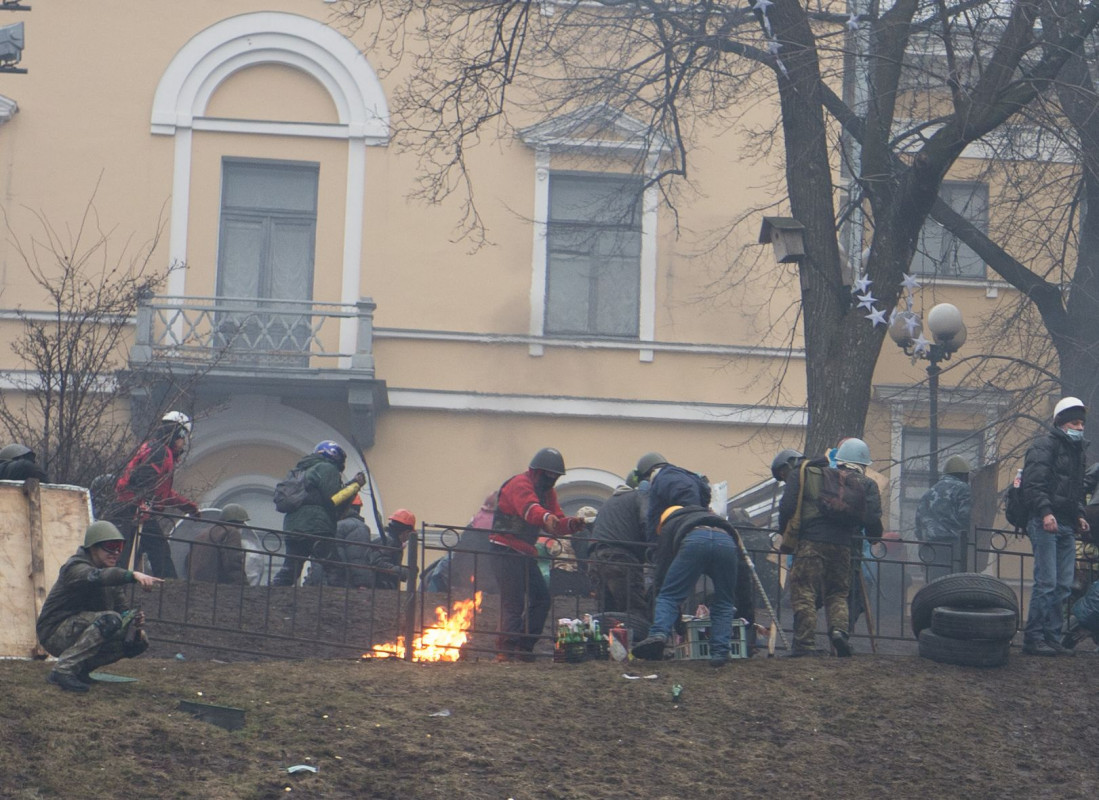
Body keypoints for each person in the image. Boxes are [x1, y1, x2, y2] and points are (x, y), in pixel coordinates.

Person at [778, 437, 883, 657]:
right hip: (844, 547)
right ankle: (839, 632)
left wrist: (786, 533)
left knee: (805, 590)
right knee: (837, 593)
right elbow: (872, 518)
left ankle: (804, 645)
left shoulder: (824, 476)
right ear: (864, 463)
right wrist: (874, 537)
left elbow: (790, 506)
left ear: (840, 458)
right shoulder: (867, 484)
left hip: (812, 542)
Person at [631, 465, 740, 667]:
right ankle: (720, 652)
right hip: (726, 539)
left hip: (695, 539)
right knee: (724, 601)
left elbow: (663, 571)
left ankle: (658, 635)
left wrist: (660, 590)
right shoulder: (705, 511)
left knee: (668, 595)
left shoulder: (671, 523)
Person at [37, 520, 162, 692]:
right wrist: (132, 575)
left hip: (81, 629)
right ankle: (63, 670)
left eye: (120, 547)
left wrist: (133, 621)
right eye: (110, 547)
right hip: (54, 632)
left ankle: (79, 670)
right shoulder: (75, 568)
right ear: (93, 547)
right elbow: (96, 577)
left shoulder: (110, 576)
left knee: (138, 640)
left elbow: (121, 610)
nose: (116, 553)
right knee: (109, 620)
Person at [490, 448, 587, 661]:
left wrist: (572, 524)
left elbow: (556, 522)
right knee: (513, 602)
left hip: (524, 552)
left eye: (555, 477)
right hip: (504, 549)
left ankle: (524, 646)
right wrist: (546, 518)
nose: (551, 480)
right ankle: (507, 650)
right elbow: (529, 508)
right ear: (536, 472)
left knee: (541, 599)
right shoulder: (519, 484)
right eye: (548, 475)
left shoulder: (548, 493)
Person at [1020, 396, 1090, 656]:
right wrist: (1046, 513)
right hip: (1045, 522)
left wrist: (1079, 514)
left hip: (1065, 525)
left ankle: (1051, 637)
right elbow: (1034, 485)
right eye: (1075, 422)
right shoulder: (1043, 447)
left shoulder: (1076, 453)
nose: (1080, 428)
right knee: (1047, 582)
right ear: (1061, 423)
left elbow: (1076, 490)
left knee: (1061, 585)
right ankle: (1034, 638)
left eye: (1081, 423)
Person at [109, 411, 200, 578]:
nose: (183, 444)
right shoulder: (160, 453)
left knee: (135, 552)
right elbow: (145, 481)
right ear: (177, 434)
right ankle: (169, 587)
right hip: (135, 510)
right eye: (183, 438)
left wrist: (187, 506)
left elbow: (161, 491)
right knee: (155, 551)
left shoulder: (156, 449)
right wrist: (146, 507)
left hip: (133, 508)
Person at [271, 440, 365, 587]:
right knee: (335, 569)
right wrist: (355, 486)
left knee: (290, 569)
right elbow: (334, 499)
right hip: (316, 527)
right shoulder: (327, 468)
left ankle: (272, 594)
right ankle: (339, 602)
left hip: (294, 526)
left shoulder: (303, 469)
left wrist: (352, 484)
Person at [587, 452, 666, 620]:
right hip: (620, 560)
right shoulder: (640, 496)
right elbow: (647, 522)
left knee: (607, 615)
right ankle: (635, 645)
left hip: (595, 559)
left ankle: (609, 645)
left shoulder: (610, 501)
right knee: (635, 611)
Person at [914, 455, 972, 582]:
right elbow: (966, 518)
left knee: (934, 586)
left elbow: (918, 525)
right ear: (963, 474)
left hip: (931, 549)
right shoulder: (963, 489)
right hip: (953, 548)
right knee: (953, 585)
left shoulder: (929, 492)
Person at [186, 503, 250, 584]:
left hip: (195, 583)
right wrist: (243, 585)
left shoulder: (205, 532)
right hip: (216, 585)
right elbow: (232, 562)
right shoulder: (231, 532)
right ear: (240, 522)